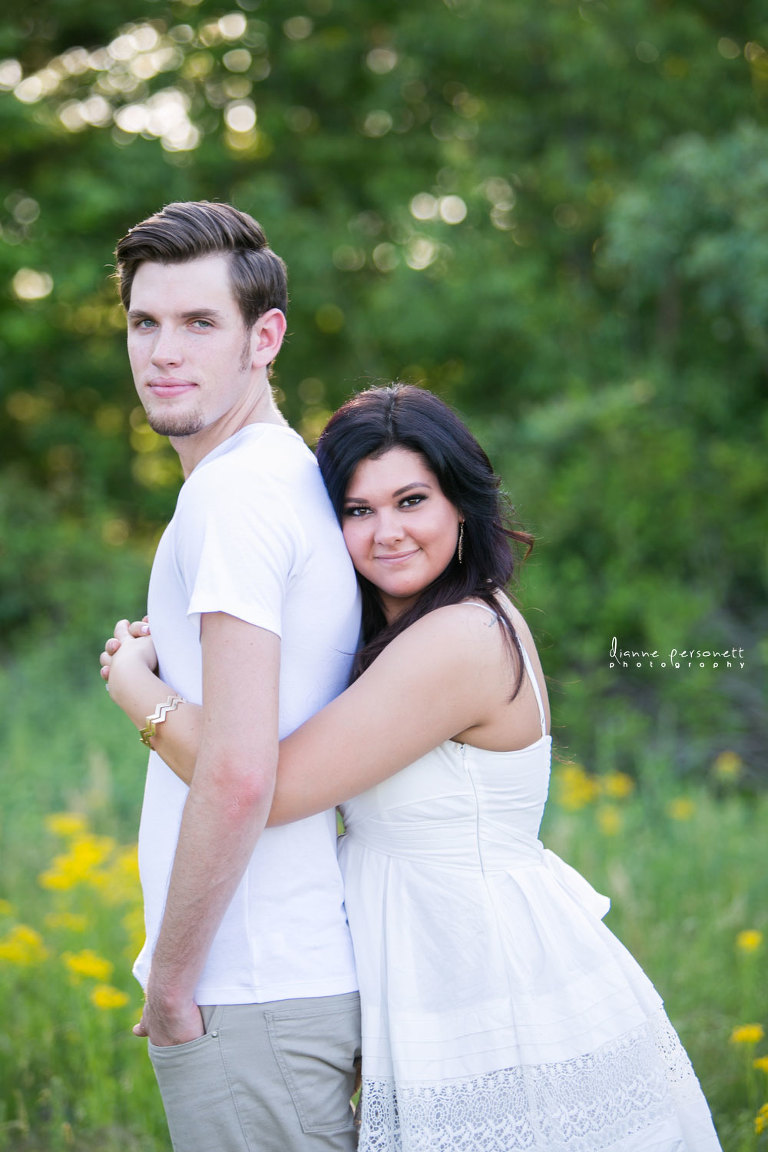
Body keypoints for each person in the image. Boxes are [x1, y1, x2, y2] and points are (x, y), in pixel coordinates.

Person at [102, 384, 723, 1152]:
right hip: (430, 976)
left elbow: (274, 787)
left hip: (486, 986)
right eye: (358, 510)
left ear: (460, 505)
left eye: (411, 501)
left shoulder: (461, 638)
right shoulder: (402, 635)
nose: (385, 532)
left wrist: (137, 688)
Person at [108, 200, 363, 1152]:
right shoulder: (280, 476)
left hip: (246, 986)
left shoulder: (234, 495)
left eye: (199, 323)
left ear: (266, 337)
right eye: (145, 322)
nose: (164, 352)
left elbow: (241, 768)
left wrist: (172, 985)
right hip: (280, 978)